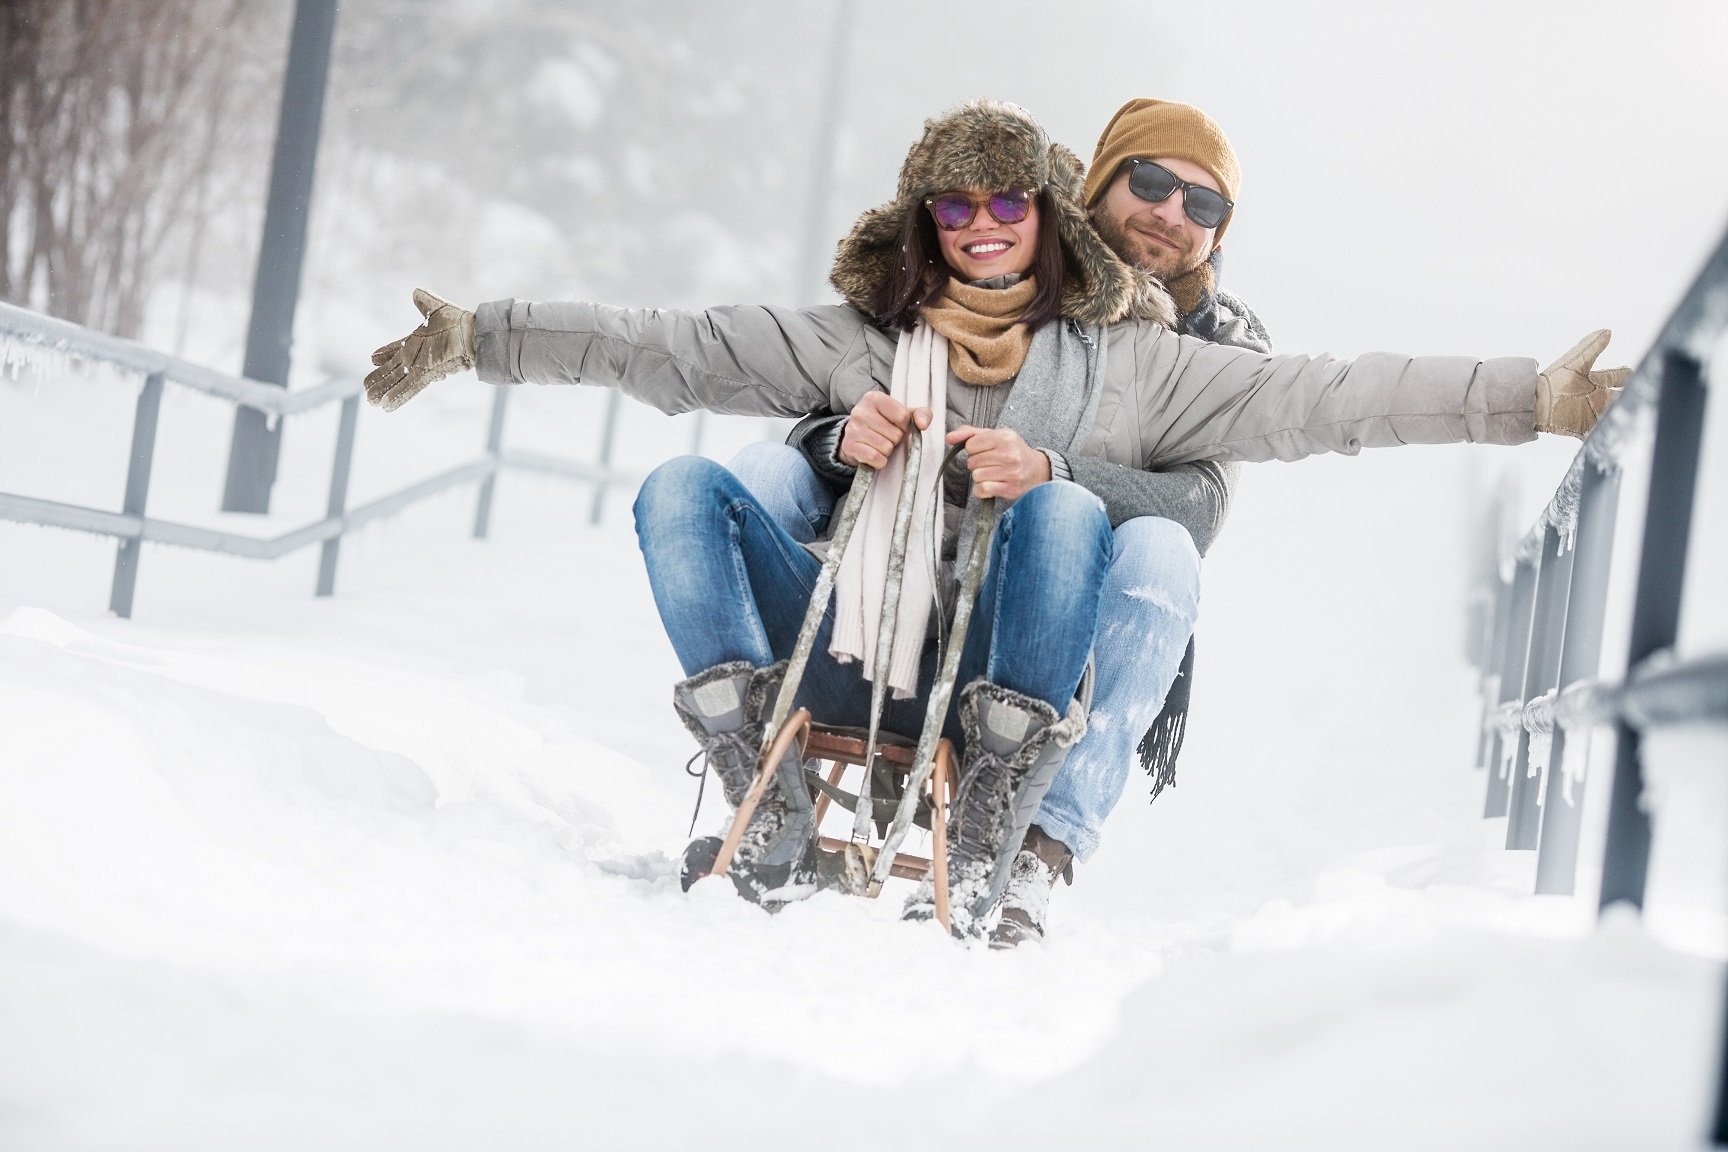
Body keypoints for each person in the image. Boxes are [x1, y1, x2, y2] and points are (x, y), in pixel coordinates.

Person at [363, 99, 1625, 942]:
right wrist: (483, 336)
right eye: (954, 208)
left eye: (1006, 205)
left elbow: (1334, 399)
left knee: (1073, 512)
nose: (981, 226)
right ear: (923, 221)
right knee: (681, 488)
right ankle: (769, 782)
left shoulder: (1143, 360)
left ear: (1045, 217)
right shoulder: (860, 337)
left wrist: (1532, 399)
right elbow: (679, 348)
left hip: (1002, 667)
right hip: (855, 635)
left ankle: (1014, 819)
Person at [731, 98, 1271, 946]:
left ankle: (1037, 852)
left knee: (1163, 549)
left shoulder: (1221, 345)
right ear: (1099, 181)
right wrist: (839, 436)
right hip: (899, 558)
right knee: (761, 471)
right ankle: (760, 787)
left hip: (1066, 602)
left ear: (1220, 234)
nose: (1171, 213)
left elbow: (1202, 505)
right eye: (1154, 181)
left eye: (1203, 205)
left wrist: (1052, 475)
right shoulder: (1003, 245)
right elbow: (838, 381)